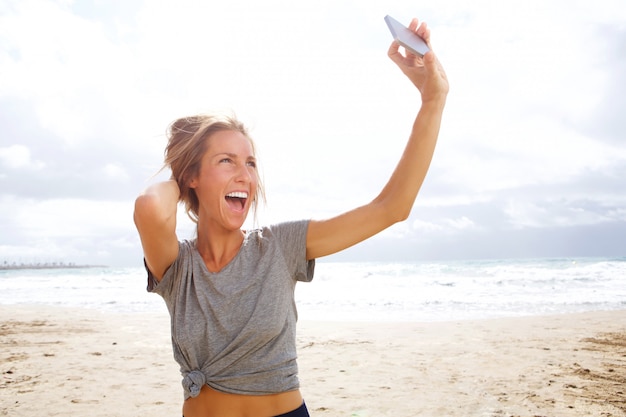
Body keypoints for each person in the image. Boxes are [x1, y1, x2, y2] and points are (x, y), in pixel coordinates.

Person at [134, 17, 448, 417]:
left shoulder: (279, 247)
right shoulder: (178, 270)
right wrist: (183, 176)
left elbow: (392, 208)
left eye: (250, 163)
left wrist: (432, 100)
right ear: (192, 177)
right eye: (226, 161)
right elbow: (148, 208)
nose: (244, 175)